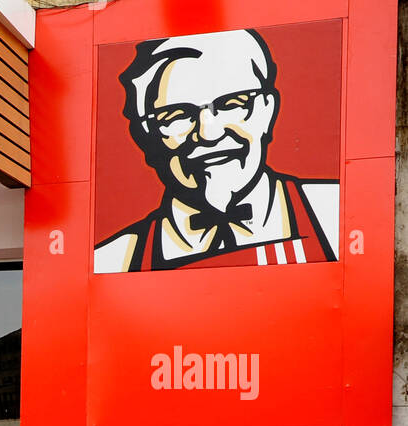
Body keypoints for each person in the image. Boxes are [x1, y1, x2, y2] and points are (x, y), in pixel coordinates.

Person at [94, 28, 338, 273]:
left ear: (267, 110)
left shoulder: (336, 215)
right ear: (146, 134)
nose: (209, 134)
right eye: (177, 115)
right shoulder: (114, 261)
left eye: (232, 104)